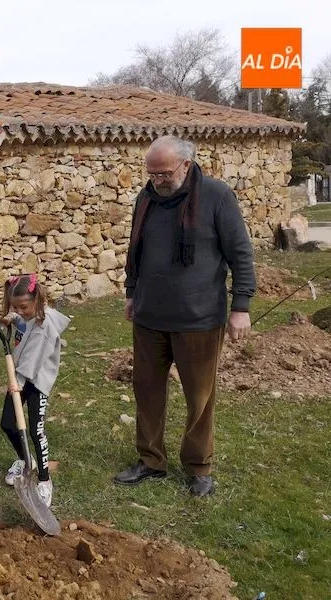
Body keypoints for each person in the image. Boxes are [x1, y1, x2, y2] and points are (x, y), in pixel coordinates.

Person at [115, 135, 256, 497]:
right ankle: (151, 460)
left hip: (199, 319)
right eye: (151, 174)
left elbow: (240, 253)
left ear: (186, 165)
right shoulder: (146, 197)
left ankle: (198, 467)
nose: (157, 180)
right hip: (149, 315)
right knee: (147, 391)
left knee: (199, 397)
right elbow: (136, 249)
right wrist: (131, 292)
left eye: (163, 173)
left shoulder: (217, 196)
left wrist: (241, 306)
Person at [0, 274, 70, 507]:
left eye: (23, 307)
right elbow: (21, 322)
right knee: (8, 423)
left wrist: (17, 382)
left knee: (36, 431)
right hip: (19, 377)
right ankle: (26, 460)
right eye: (15, 307)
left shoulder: (44, 327)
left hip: (36, 381)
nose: (20, 311)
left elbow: (32, 361)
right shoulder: (26, 315)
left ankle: (45, 480)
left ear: (37, 300)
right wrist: (11, 318)